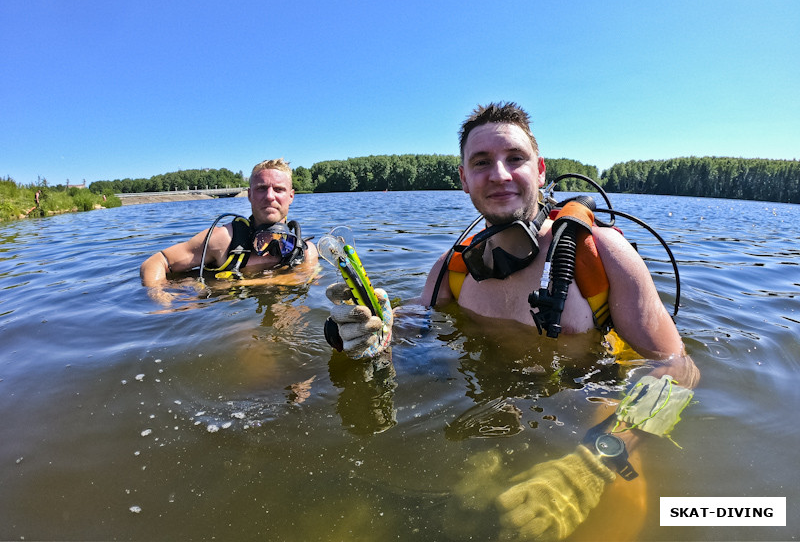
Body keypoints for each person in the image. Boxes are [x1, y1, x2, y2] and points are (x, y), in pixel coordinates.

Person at [326, 102, 699, 540]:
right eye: (481, 163)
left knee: (616, 525)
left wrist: (590, 466)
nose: (499, 174)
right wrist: (358, 330)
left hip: (587, 421)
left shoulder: (603, 254)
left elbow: (681, 371)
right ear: (464, 180)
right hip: (484, 415)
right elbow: (404, 329)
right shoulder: (452, 268)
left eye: (514, 159)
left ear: (539, 170)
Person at [140, 158, 318, 289]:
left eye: (279, 189)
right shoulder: (222, 240)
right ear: (249, 195)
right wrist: (160, 297)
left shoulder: (305, 252)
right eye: (261, 188)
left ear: (291, 196)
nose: (270, 196)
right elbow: (156, 262)